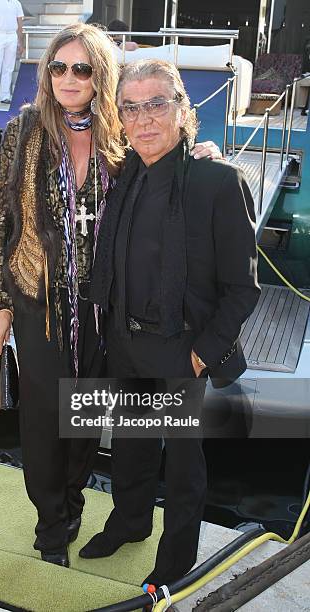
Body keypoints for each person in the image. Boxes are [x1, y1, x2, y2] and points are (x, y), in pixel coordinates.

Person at [0, 23, 221, 570]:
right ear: (47, 75)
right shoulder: (25, 130)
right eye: (59, 67)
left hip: (100, 305)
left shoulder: (120, 137)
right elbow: (3, 218)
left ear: (100, 77)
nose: (69, 78)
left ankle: (72, 505)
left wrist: (200, 151)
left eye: (83, 68)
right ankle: (51, 529)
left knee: (87, 416)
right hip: (39, 302)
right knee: (45, 418)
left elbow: (166, 159)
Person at [79, 59, 261, 587]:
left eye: (157, 103)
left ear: (182, 110)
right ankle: (130, 523)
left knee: (183, 467)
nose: (144, 118)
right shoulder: (124, 175)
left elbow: (242, 287)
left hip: (180, 347)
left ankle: (176, 561)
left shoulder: (217, 181)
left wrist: (202, 351)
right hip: (125, 340)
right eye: (131, 107)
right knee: (131, 445)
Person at [0, 0, 24, 105]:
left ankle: (5, 96)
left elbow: (20, 26)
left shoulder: (17, 3)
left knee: (9, 68)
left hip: (12, 36)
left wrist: (21, 43)